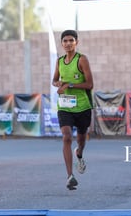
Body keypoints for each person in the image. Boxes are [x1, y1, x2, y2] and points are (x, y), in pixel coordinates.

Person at [52, 29, 94, 190]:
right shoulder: (59, 61)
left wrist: (69, 84)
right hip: (65, 106)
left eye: (71, 40)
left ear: (76, 42)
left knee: (81, 140)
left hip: (83, 106)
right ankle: (70, 176)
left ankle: (80, 153)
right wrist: (57, 84)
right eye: (65, 41)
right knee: (66, 137)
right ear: (61, 43)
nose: (68, 43)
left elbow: (90, 85)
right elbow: (54, 79)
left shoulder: (82, 60)